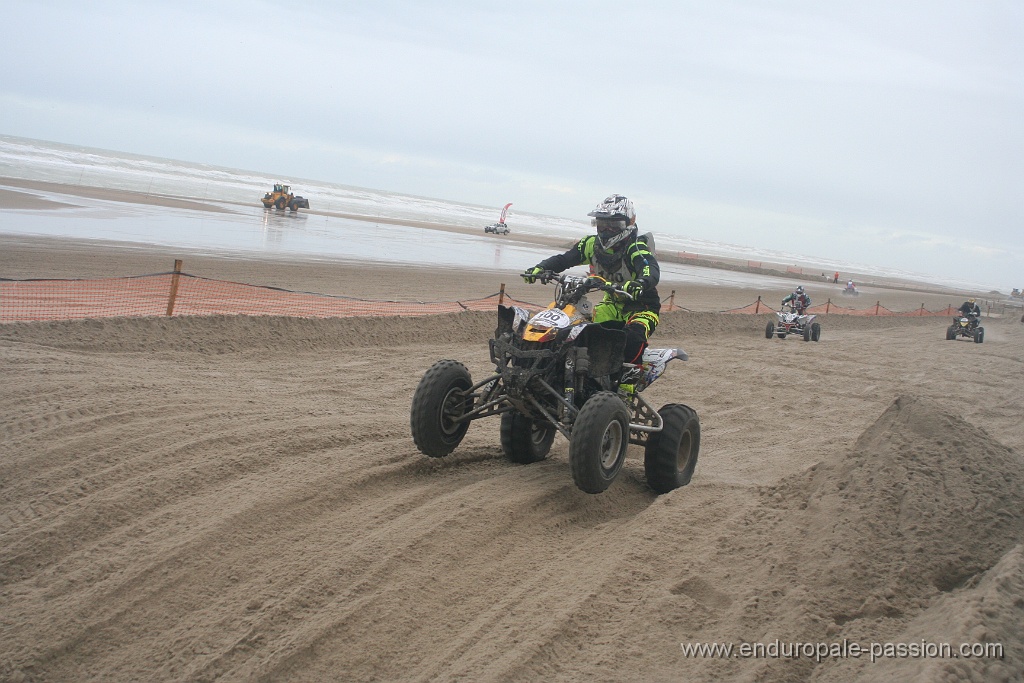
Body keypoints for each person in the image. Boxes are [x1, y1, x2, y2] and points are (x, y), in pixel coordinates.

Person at [521, 194, 660, 372]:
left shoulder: (636, 247)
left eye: (613, 225)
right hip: (611, 304)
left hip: (643, 307)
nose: (606, 230)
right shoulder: (591, 244)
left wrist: (641, 283)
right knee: (577, 329)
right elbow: (565, 259)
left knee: (633, 337)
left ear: (628, 223)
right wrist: (540, 268)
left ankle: (628, 383)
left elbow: (650, 269)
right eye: (602, 224)